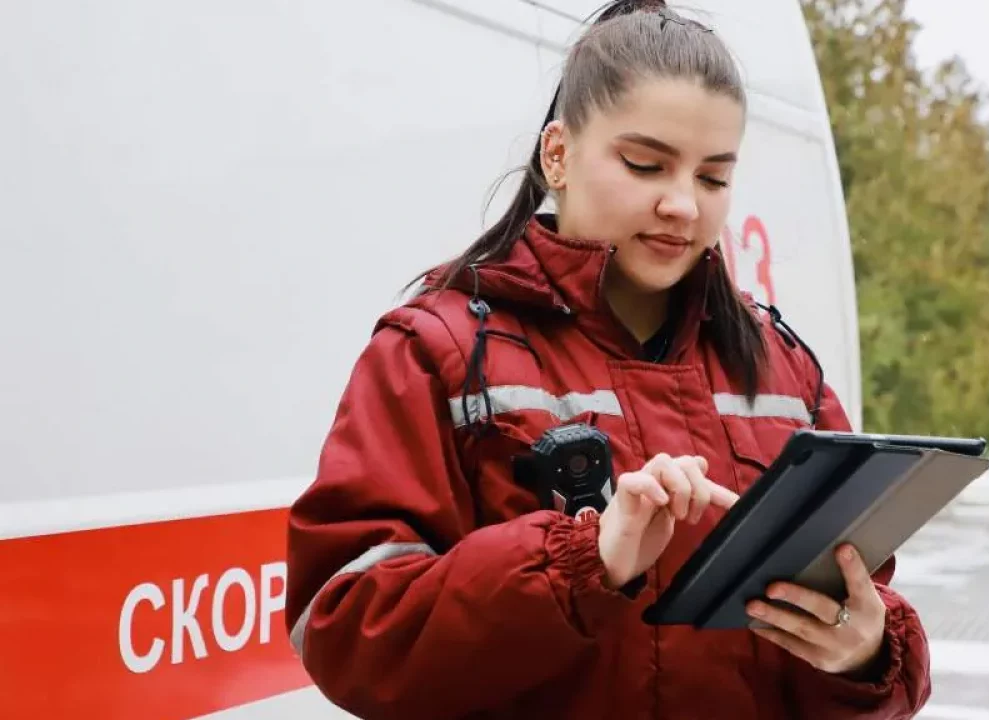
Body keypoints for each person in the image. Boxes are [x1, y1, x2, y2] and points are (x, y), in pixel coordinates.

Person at [285, 2, 931, 717]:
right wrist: (582, 562)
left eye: (714, 178)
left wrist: (865, 653)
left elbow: (860, 593)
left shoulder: (782, 371)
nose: (684, 205)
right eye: (645, 164)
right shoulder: (433, 351)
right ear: (556, 154)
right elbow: (347, 627)